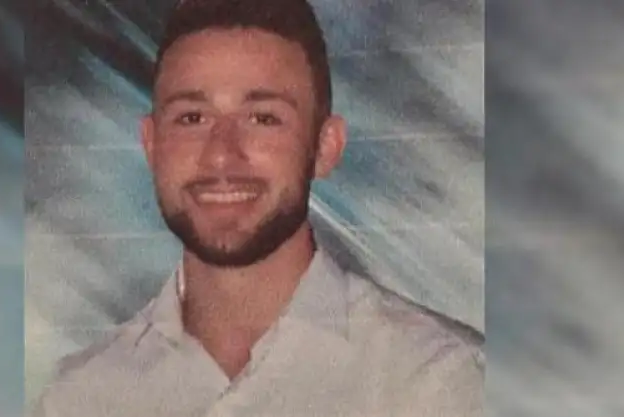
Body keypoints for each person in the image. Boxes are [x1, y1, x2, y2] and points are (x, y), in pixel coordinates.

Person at [32, 0, 484, 415]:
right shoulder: (78, 399)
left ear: (325, 147)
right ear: (151, 145)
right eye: (192, 118)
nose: (221, 155)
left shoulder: (437, 382)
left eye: (263, 118)